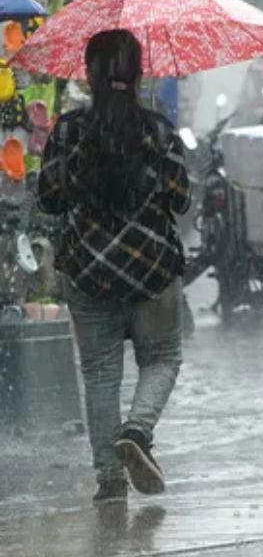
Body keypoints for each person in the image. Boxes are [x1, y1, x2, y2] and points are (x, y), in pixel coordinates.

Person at [37, 30, 191, 503]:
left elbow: (48, 199)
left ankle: (109, 479)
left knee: (101, 373)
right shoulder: (159, 131)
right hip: (153, 274)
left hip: (89, 273)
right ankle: (137, 432)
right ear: (139, 74)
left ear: (89, 74)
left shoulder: (67, 131)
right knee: (162, 358)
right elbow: (181, 201)